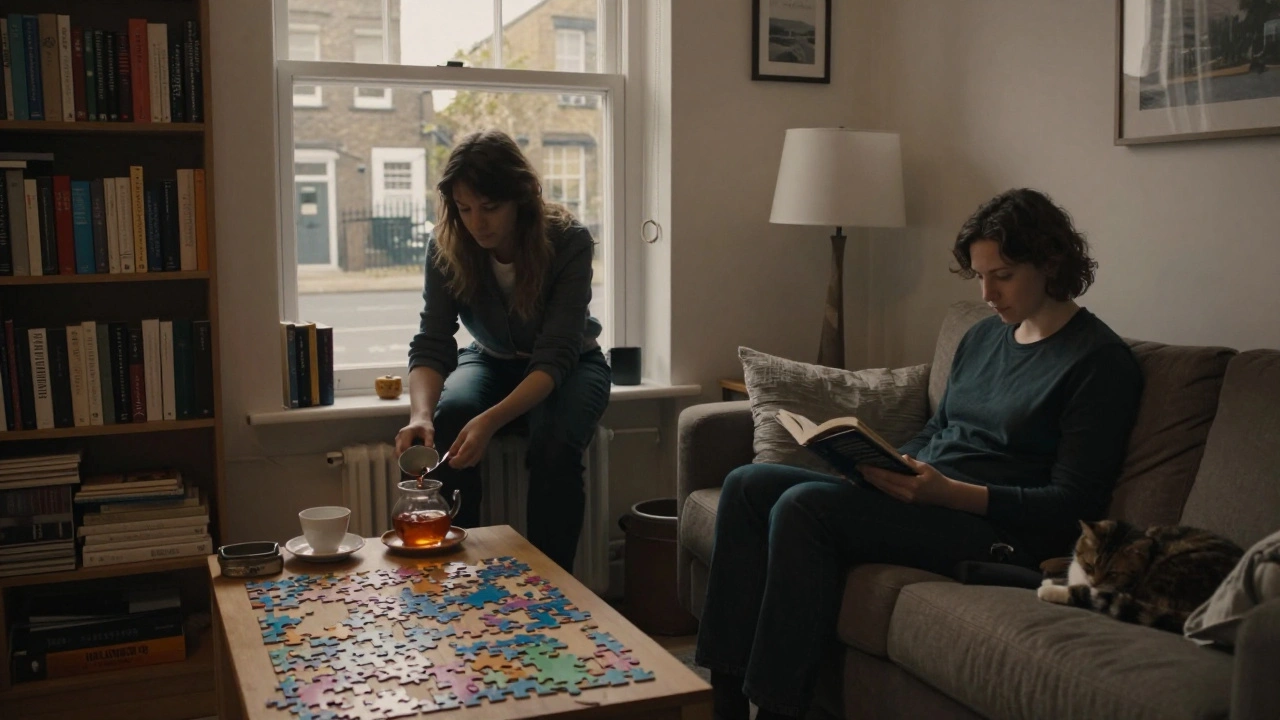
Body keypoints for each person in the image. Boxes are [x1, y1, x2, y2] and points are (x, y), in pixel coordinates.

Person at [695, 188, 1144, 720]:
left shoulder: (1097, 362)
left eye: (1002, 276)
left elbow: (1073, 503)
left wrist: (950, 493)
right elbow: (940, 430)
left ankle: (779, 710)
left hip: (996, 531)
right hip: (923, 496)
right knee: (747, 484)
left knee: (804, 507)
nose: (988, 294)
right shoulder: (983, 338)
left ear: (1050, 262)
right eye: (979, 276)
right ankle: (723, 702)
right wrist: (885, 461)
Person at [395, 129, 611, 572]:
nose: (477, 222)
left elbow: (555, 354)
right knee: (450, 417)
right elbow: (433, 339)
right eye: (464, 208)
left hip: (571, 365)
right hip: (491, 358)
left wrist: (491, 419)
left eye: (490, 207)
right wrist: (420, 416)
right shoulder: (445, 244)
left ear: (522, 196)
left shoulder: (569, 240)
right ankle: (457, 574)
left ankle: (552, 583)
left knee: (554, 442)